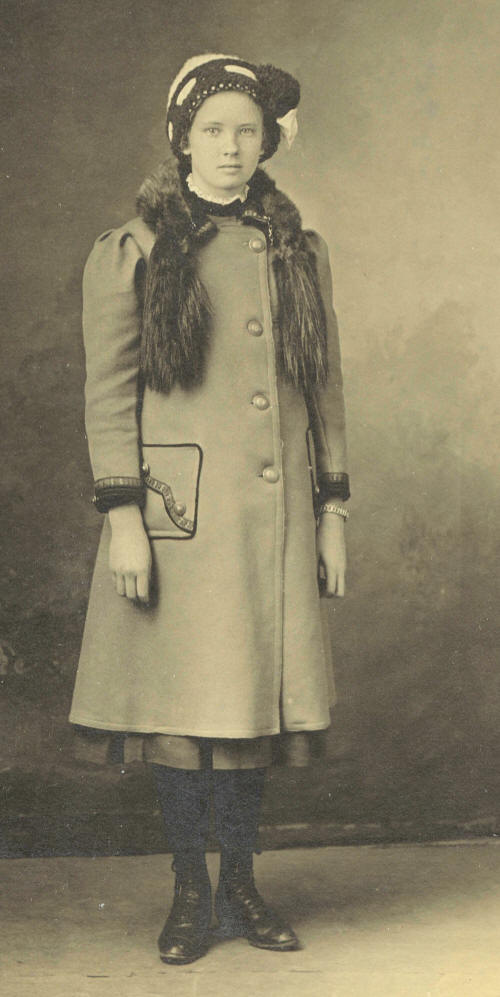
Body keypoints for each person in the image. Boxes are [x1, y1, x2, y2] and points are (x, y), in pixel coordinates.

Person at [70, 53, 350, 964]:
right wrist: (123, 516)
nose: (231, 147)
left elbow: (323, 389)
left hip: (272, 523)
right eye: (213, 130)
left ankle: (242, 885)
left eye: (247, 131)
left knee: (247, 715)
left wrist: (333, 510)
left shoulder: (298, 250)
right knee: (183, 713)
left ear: (268, 141)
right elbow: (109, 393)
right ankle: (191, 888)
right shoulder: (136, 249)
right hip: (176, 519)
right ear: (182, 139)